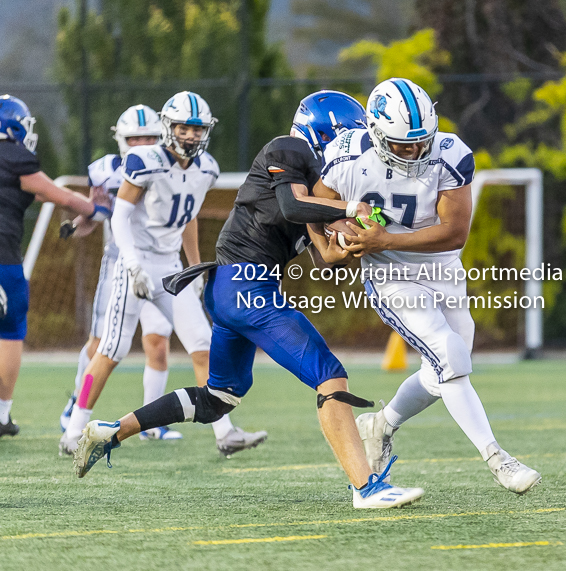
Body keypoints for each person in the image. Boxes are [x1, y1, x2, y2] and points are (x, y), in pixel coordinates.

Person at [73, 90, 425, 509]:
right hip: (245, 284)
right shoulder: (289, 149)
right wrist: (352, 207)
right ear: (328, 130)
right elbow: (293, 205)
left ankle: (111, 431)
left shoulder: (317, 184)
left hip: (237, 289)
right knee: (330, 374)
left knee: (217, 398)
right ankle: (367, 488)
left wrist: (361, 241)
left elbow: (325, 257)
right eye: (349, 135)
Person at [314, 78, 541, 494]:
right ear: (378, 135)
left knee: (446, 369)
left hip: (442, 266)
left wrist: (385, 238)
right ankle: (497, 458)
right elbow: (317, 206)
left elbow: (455, 233)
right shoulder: (347, 156)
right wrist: (343, 235)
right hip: (389, 274)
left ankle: (381, 425)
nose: (415, 151)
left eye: (421, 142)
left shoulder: (451, 153)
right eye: (403, 144)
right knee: (449, 355)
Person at [60, 91, 267, 457]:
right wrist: (133, 262)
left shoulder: (207, 168)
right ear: (168, 128)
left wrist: (195, 265)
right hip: (133, 262)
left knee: (203, 344)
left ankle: (225, 432)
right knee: (111, 349)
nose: (190, 135)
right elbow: (120, 216)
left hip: (170, 267)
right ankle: (74, 429)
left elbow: (187, 219)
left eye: (197, 128)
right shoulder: (144, 160)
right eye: (183, 127)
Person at [59, 104, 182, 451]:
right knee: (102, 347)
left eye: (149, 136)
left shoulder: (175, 167)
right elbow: (100, 213)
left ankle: (151, 424)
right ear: (121, 139)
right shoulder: (106, 171)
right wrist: (79, 223)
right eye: (135, 137)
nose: (143, 142)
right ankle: (76, 409)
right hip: (121, 266)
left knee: (158, 344)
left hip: (162, 263)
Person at [0, 94, 111, 437]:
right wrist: (96, 210)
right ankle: (1, 415)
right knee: (9, 331)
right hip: (3, 259)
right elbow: (56, 193)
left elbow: (34, 192)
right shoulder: (14, 157)